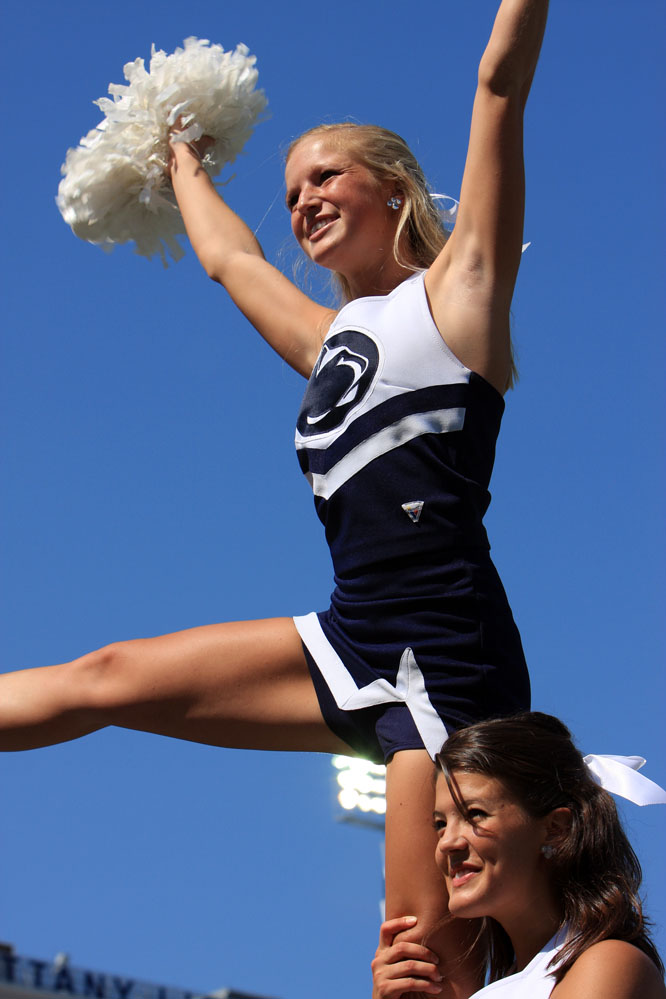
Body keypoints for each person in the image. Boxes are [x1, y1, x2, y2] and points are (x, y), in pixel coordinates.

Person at [0, 1, 549, 993]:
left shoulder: (462, 294)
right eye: (292, 191)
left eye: (325, 176)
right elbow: (229, 260)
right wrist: (173, 154)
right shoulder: (326, 342)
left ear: (391, 188)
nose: (303, 202)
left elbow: (499, 84)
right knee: (107, 673)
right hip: (355, 634)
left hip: (446, 665)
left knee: (423, 960)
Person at [371, 712, 666, 998]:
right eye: (440, 824)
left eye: (475, 814)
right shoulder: (515, 981)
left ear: (555, 828)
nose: (447, 843)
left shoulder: (608, 963)